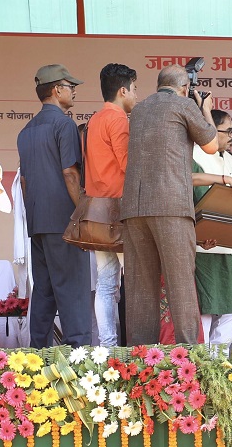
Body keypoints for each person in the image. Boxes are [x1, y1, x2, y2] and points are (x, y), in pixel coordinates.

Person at [121, 64, 218, 345]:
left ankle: (140, 357)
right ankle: (191, 355)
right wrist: (203, 109)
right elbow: (211, 145)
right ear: (185, 88)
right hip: (170, 205)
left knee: (140, 288)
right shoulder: (184, 104)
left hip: (135, 207)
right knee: (181, 284)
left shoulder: (138, 109)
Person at [17, 64, 92, 347]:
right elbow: (70, 173)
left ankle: (37, 353)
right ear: (56, 90)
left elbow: (24, 182)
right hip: (64, 220)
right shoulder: (64, 124)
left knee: (45, 292)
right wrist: (83, 214)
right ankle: (80, 354)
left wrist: (34, 215)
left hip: (37, 221)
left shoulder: (26, 131)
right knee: (73, 289)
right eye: (70, 86)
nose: (73, 92)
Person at [83, 63, 138, 347]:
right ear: (123, 90)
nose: (137, 96)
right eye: (135, 89)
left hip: (97, 211)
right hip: (119, 210)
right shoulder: (118, 120)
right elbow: (128, 165)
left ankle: (108, 347)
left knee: (106, 285)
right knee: (135, 282)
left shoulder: (95, 119)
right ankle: (137, 347)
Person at [192, 109, 232, 345]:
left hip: (230, 243)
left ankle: (218, 361)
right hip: (202, 246)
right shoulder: (195, 155)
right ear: (211, 131)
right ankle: (202, 362)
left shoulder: (228, 157)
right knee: (205, 309)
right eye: (229, 131)